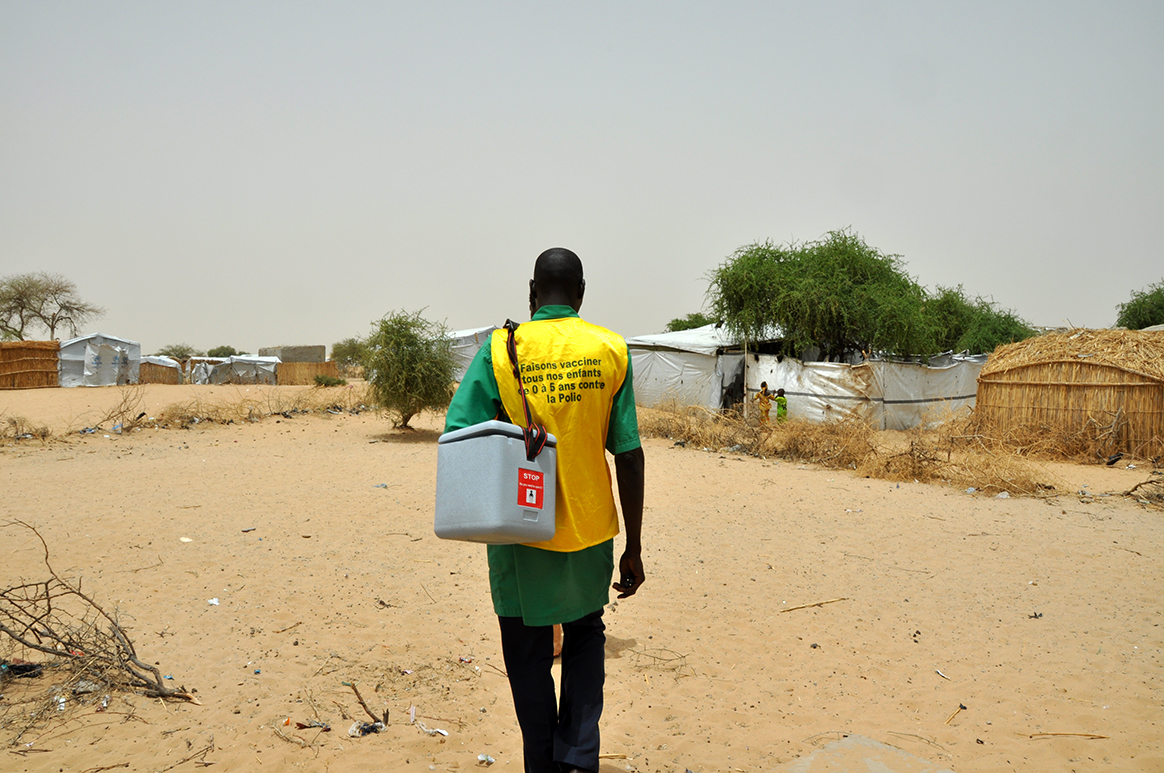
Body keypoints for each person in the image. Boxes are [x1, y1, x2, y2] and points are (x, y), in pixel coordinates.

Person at [444, 247, 646, 773]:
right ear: (581, 294)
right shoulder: (611, 349)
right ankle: (577, 758)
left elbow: (460, 433)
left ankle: (541, 760)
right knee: (585, 635)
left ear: (532, 292)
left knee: (525, 647)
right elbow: (628, 453)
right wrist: (634, 548)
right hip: (590, 529)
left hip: (519, 530)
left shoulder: (498, 350)